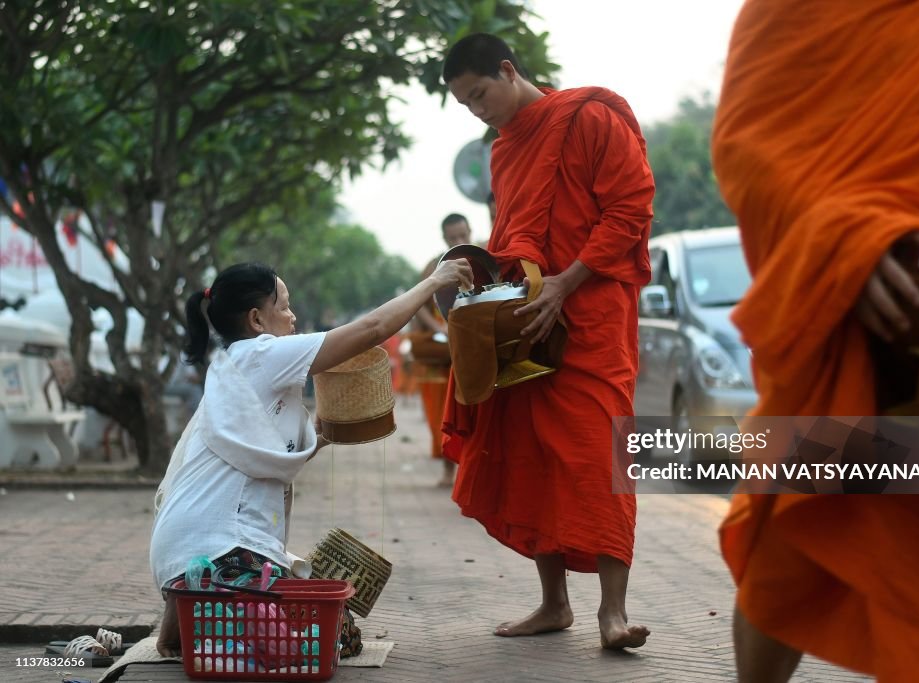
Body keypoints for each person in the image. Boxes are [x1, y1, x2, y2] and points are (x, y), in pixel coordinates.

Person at [711, 2, 919, 681]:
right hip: (845, 318)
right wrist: (843, 240)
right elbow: (747, 150)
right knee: (786, 548)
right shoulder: (790, 12)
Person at [441, 33, 655, 650]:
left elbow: (631, 209)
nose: (479, 111)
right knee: (530, 454)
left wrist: (566, 283)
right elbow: (512, 233)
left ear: (508, 71)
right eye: (466, 105)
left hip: (590, 317)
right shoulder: (505, 151)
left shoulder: (590, 117)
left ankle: (611, 614)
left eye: (481, 94)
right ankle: (553, 603)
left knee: (599, 455)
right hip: (529, 320)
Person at [150, 258, 472, 657]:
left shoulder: (231, 366)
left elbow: (261, 455)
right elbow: (371, 330)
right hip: (219, 551)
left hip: (180, 550)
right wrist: (434, 283)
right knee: (301, 650)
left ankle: (184, 619)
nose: (293, 315)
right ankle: (212, 609)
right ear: (256, 319)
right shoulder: (262, 353)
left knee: (286, 626)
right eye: (283, 306)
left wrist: (320, 436)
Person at [412, 213, 472, 486]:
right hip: (443, 350)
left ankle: (472, 471)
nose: (459, 241)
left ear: (470, 232)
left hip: (473, 347)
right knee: (442, 412)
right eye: (453, 238)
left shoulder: (481, 261)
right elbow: (419, 305)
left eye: (463, 235)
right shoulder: (433, 267)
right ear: (444, 239)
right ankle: (448, 470)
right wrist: (437, 328)